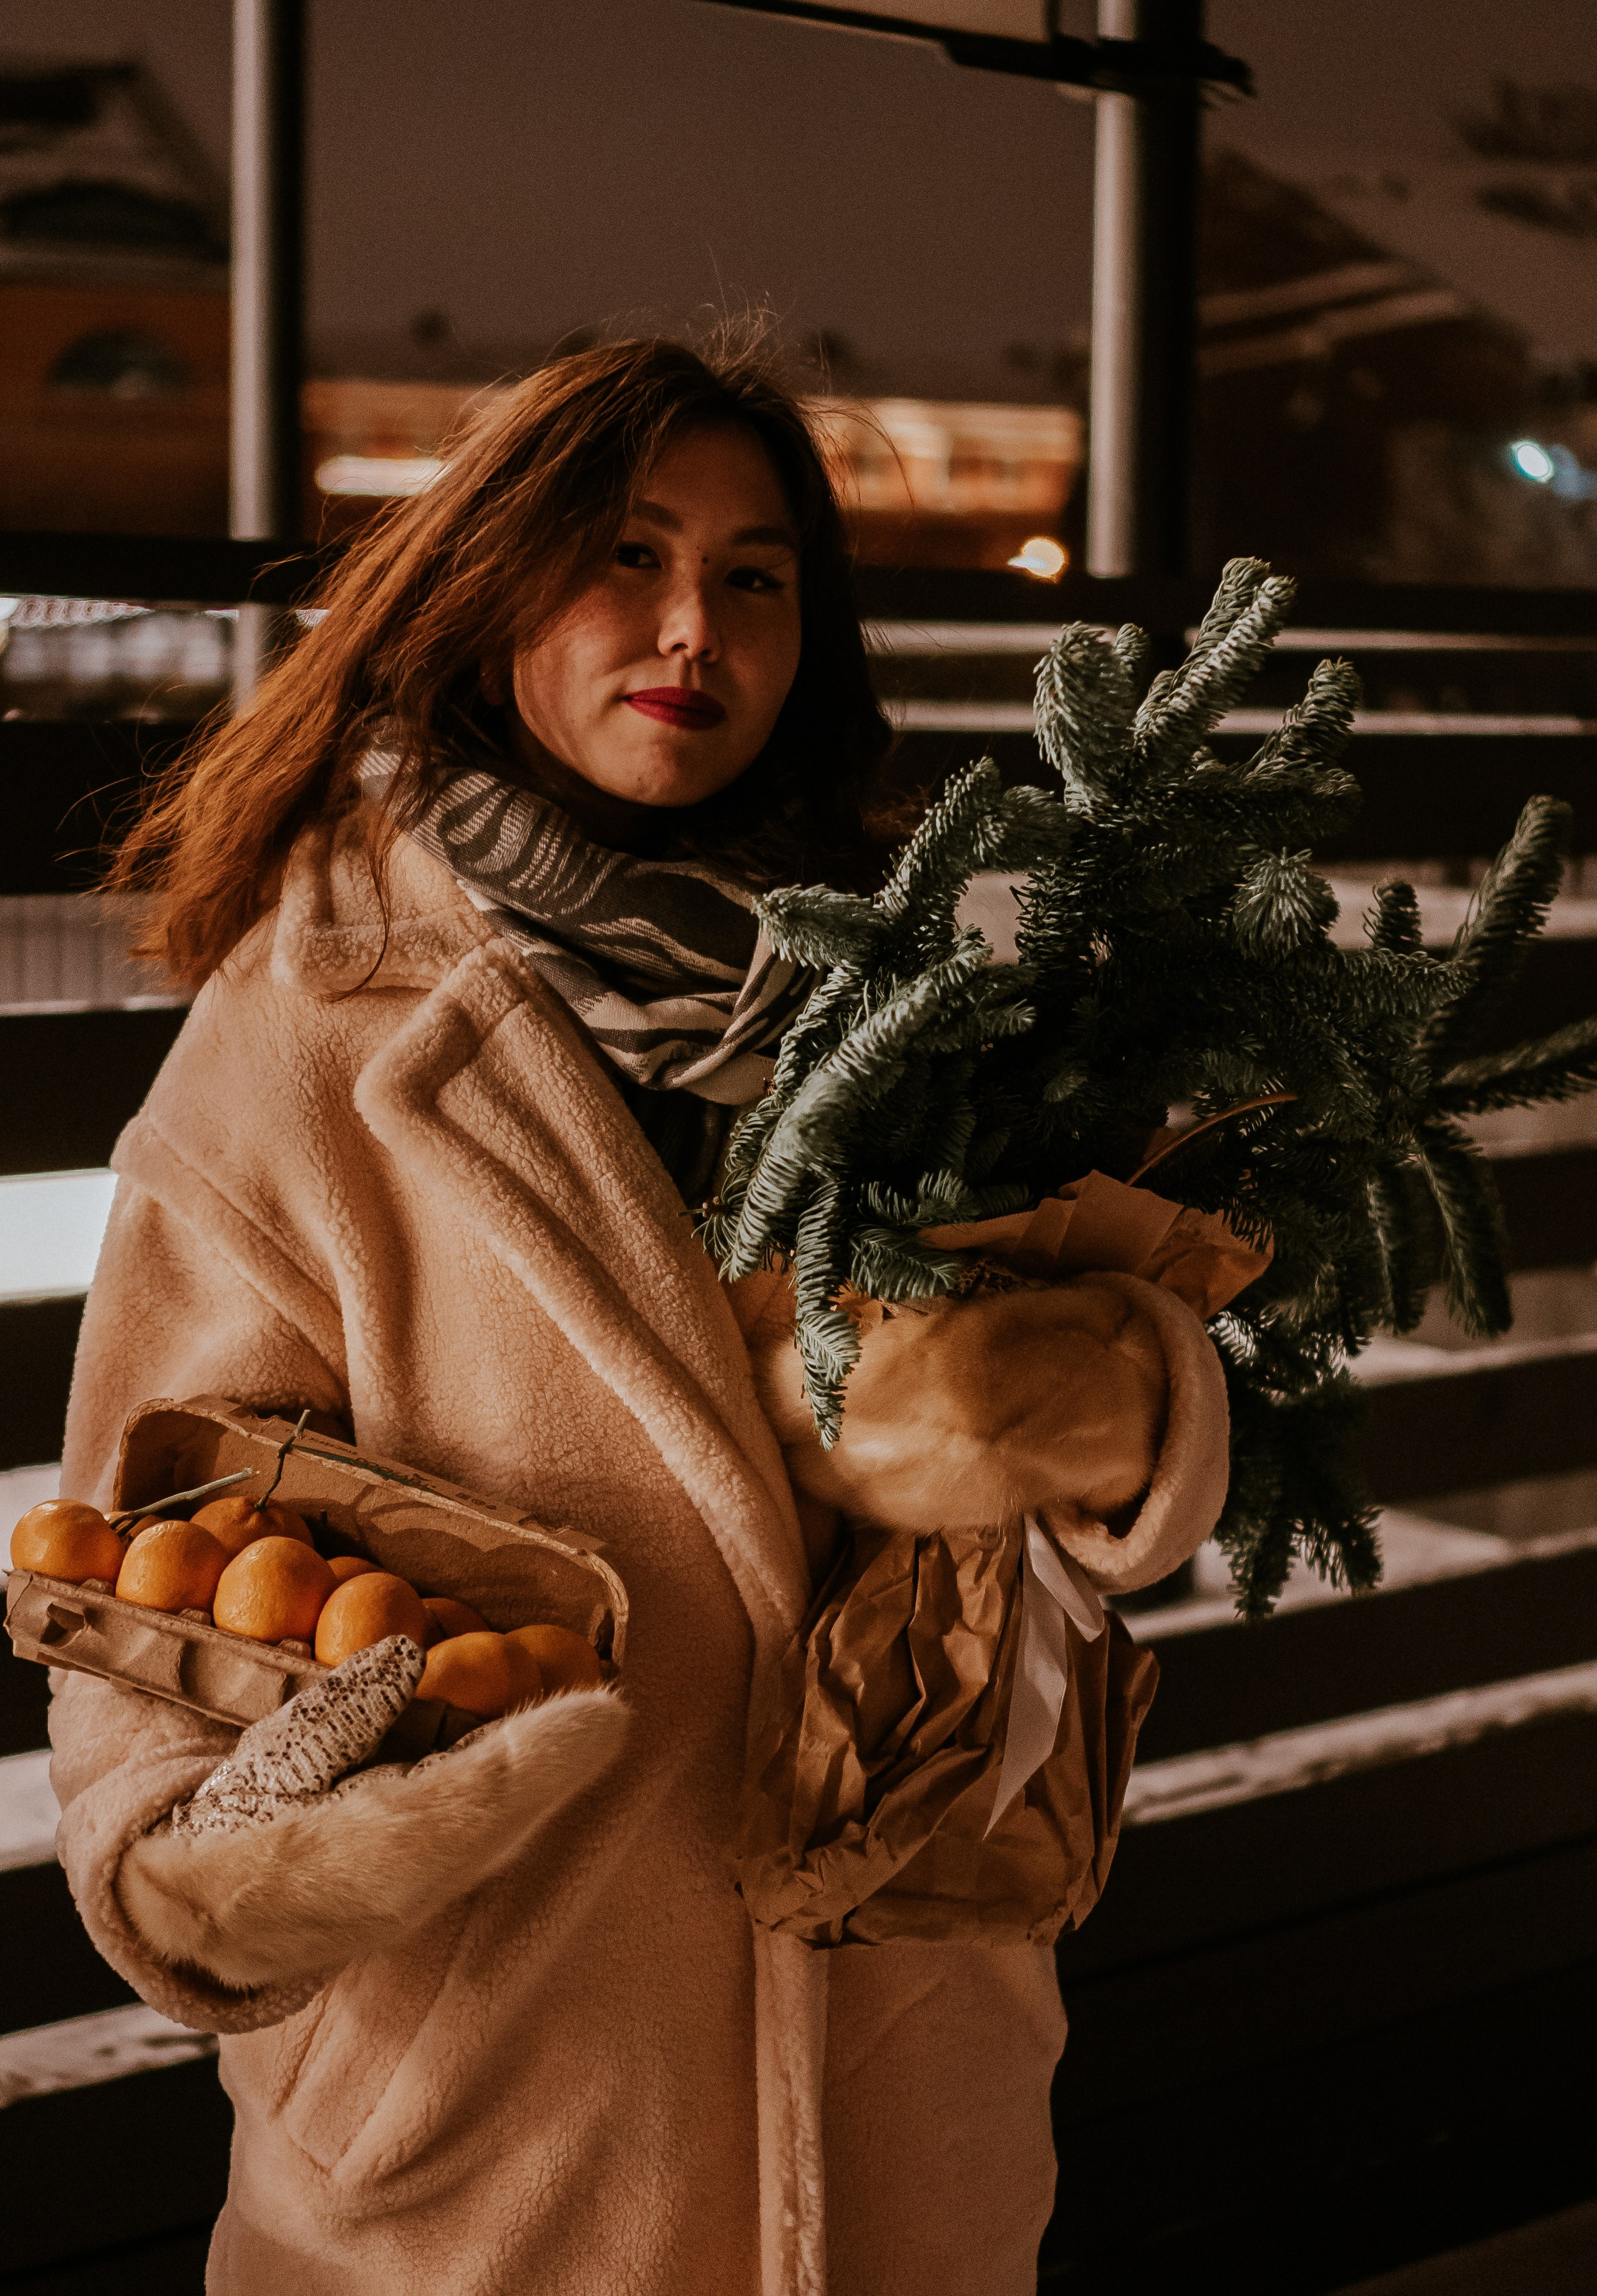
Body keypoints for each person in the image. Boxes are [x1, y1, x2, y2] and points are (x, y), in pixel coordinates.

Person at [48, 333, 1210, 2296]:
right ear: (496, 582)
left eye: (756, 574)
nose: (695, 624)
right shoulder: (314, 1028)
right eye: (627, 552)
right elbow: (152, 1553)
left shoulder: (931, 982)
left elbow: (1112, 1402)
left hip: (901, 2067)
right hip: (499, 2120)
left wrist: (1123, 1405)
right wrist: (234, 1862)